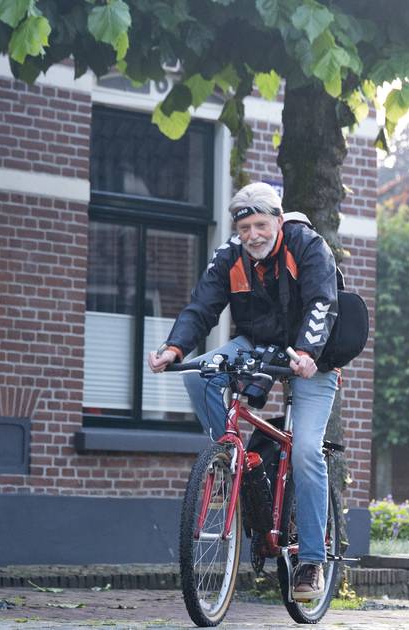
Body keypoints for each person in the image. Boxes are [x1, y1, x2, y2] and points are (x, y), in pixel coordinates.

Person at [147, 182, 340, 602]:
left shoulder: (307, 246)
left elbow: (322, 303)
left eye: (261, 224)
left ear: (278, 219)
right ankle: (234, 460)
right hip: (257, 344)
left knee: (306, 450)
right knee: (197, 375)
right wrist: (173, 348)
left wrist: (307, 353)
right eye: (245, 227)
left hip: (312, 359)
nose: (253, 234)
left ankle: (311, 561)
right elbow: (201, 307)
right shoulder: (230, 256)